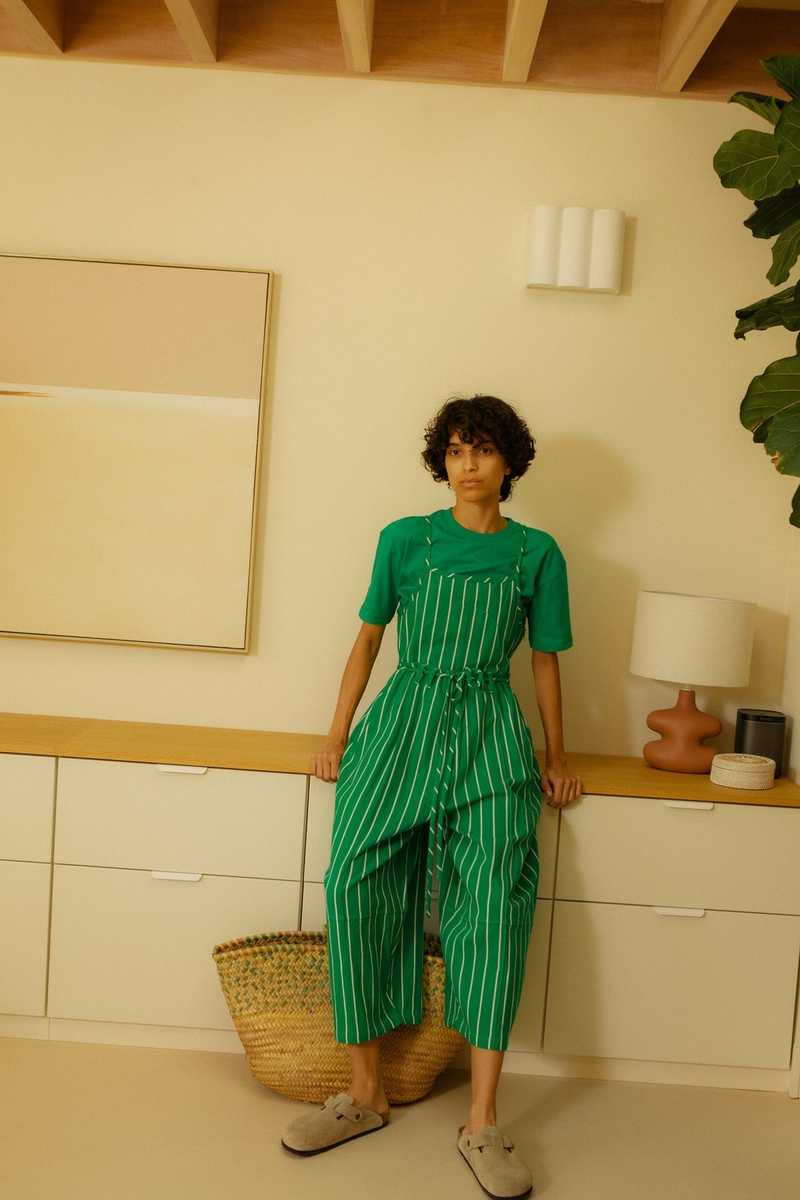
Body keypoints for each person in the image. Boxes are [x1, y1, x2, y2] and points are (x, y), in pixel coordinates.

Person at [281, 394, 582, 1197]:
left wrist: (556, 758)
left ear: (509, 461)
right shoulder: (403, 540)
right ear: (440, 461)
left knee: (493, 905)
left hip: (490, 732)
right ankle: (365, 1093)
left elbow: (545, 661)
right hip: (401, 725)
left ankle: (483, 1119)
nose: (467, 464)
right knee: (353, 885)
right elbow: (368, 639)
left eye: (481, 450)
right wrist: (336, 736)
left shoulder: (538, 554)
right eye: (454, 451)